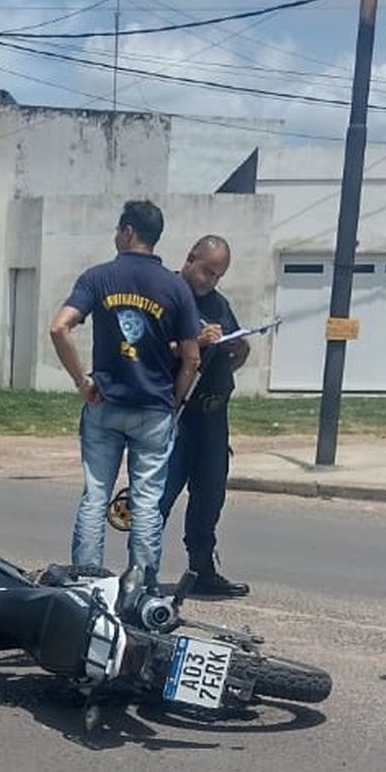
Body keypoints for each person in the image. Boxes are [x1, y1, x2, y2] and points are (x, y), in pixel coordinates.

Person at [49, 200, 200, 593]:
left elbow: (59, 328)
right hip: (154, 409)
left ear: (128, 231)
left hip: (105, 404)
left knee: (96, 496)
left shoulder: (98, 278)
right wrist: (175, 401)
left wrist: (83, 381)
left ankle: (85, 587)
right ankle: (141, 587)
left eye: (119, 229)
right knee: (147, 502)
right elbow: (192, 356)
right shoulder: (175, 287)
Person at [158, 235, 252, 598]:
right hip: (181, 412)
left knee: (210, 494)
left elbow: (235, 357)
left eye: (217, 275)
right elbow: (154, 349)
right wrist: (196, 341)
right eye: (206, 271)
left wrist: (238, 347)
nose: (209, 281)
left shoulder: (217, 303)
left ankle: (202, 569)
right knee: (162, 493)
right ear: (190, 258)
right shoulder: (166, 294)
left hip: (215, 414)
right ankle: (143, 570)